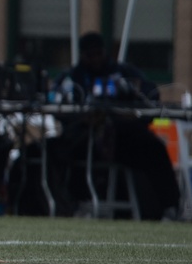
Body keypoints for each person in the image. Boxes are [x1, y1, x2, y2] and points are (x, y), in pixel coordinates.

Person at [51, 31, 181, 220]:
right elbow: (57, 104)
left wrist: (128, 105)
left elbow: (149, 94)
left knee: (154, 148)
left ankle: (170, 206)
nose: (95, 59)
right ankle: (72, 204)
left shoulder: (122, 73)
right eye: (90, 55)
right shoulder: (73, 77)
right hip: (86, 137)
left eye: (98, 53)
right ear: (83, 56)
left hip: (122, 137)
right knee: (60, 149)